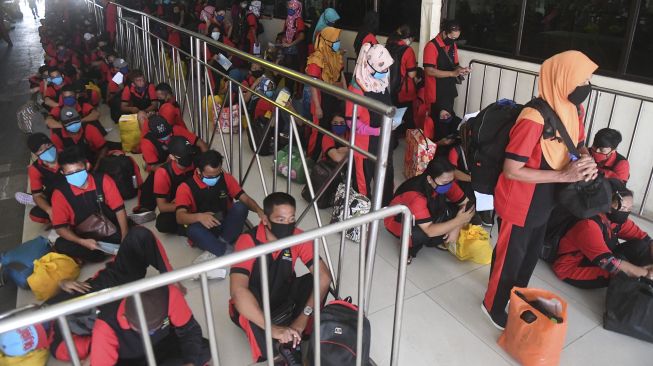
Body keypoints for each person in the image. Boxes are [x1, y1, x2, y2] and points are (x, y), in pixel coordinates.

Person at [482, 51, 599, 330]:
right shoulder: (533, 117)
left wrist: (585, 158)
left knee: (530, 253)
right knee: (511, 256)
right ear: (563, 78)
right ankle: (493, 305)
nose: (587, 85)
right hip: (520, 199)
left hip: (546, 197)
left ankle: (515, 295)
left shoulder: (573, 110)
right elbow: (512, 170)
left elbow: (578, 142)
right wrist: (564, 174)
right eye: (583, 78)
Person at [230, 192, 332, 363]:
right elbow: (238, 292)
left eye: (291, 219)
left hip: (282, 298)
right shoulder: (248, 241)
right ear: (265, 220)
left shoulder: (298, 236)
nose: (287, 225)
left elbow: (323, 277)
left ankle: (297, 334)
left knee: (311, 281)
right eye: (280, 220)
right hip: (257, 305)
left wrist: (303, 318)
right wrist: (273, 330)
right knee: (246, 303)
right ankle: (280, 350)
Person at [553, 185, 653, 289]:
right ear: (607, 204)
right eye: (622, 208)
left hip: (599, 257)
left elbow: (646, 239)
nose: (625, 213)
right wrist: (645, 273)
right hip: (573, 267)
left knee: (641, 246)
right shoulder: (588, 225)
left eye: (629, 209)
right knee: (622, 273)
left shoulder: (616, 219)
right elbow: (608, 262)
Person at [175, 150, 265, 261]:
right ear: (198, 171)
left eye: (217, 175)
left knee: (241, 207)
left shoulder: (226, 178)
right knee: (192, 230)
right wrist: (199, 217)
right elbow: (179, 217)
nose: (214, 179)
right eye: (209, 176)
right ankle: (225, 250)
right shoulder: (185, 187)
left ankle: (217, 247)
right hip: (203, 228)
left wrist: (259, 210)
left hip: (225, 223)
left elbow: (244, 198)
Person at [89, 285, 211, 366]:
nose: (148, 334)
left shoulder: (169, 295)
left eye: (153, 330)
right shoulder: (105, 327)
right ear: (125, 317)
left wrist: (189, 363)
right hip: (131, 361)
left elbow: (190, 331)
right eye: (141, 331)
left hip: (162, 346)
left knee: (203, 349)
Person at [385, 157, 474, 262]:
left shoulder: (445, 182)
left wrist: (456, 228)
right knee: (421, 234)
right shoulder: (416, 196)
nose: (449, 185)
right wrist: (459, 221)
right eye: (445, 182)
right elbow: (429, 230)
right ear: (430, 179)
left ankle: (436, 238)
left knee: (464, 212)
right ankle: (409, 249)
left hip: (427, 213)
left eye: (451, 180)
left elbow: (467, 204)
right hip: (398, 221)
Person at [51, 146, 129, 263]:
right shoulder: (59, 194)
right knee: (61, 244)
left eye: (78, 171)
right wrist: (83, 242)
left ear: (87, 166)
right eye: (70, 173)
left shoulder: (103, 180)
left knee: (127, 234)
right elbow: (60, 228)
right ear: (62, 173)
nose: (75, 175)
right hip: (84, 236)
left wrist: (125, 238)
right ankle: (100, 254)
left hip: (109, 228)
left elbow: (119, 210)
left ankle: (101, 253)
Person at [346, 43, 394, 205]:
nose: (386, 72)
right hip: (364, 145)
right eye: (382, 69)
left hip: (384, 139)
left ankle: (385, 205)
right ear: (370, 66)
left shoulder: (382, 81)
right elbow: (350, 121)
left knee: (385, 173)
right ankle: (362, 214)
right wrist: (374, 131)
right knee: (363, 182)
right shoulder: (357, 88)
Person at [423, 20, 470, 140]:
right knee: (438, 124)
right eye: (451, 37)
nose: (453, 40)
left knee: (448, 121)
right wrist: (452, 73)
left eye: (456, 38)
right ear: (444, 32)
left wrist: (461, 70)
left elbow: (455, 65)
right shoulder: (431, 46)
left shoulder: (452, 45)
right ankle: (436, 151)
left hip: (448, 90)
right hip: (436, 92)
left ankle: (445, 149)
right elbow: (429, 71)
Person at [305, 26, 345, 160]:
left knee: (329, 130)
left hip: (333, 98)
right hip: (321, 100)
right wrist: (317, 106)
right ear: (327, 41)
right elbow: (313, 84)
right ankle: (311, 159)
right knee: (318, 132)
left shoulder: (334, 55)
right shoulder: (317, 58)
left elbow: (341, 74)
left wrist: (344, 94)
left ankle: (325, 158)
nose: (338, 42)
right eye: (335, 40)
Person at [15, 133, 63, 224]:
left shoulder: (66, 154)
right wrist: (49, 210)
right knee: (36, 215)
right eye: (41, 149)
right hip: (56, 194)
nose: (47, 150)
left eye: (48, 145)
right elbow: (37, 195)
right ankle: (39, 201)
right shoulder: (35, 169)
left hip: (74, 190)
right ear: (35, 153)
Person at [153, 137, 195, 234]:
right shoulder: (163, 173)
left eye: (190, 154)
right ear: (172, 157)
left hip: (198, 199)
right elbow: (162, 207)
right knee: (163, 223)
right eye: (184, 156)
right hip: (179, 206)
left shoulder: (196, 162)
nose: (188, 158)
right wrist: (185, 206)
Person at [386, 25, 417, 129]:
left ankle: (391, 138)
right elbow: (411, 74)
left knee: (391, 117)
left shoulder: (388, 45)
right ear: (410, 38)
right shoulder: (408, 50)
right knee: (407, 119)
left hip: (388, 87)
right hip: (403, 90)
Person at [280, 0, 306, 94]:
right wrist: (283, 39)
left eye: (292, 8)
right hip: (287, 49)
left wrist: (290, 44)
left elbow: (301, 36)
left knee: (291, 73)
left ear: (297, 9)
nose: (290, 10)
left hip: (295, 51)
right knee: (286, 72)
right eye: (289, 8)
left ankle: (290, 93)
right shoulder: (288, 19)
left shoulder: (298, 20)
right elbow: (284, 32)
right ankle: (287, 91)